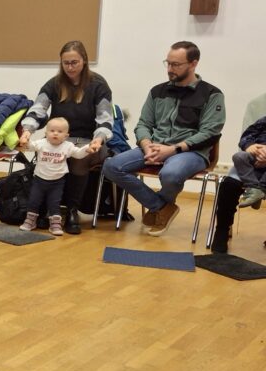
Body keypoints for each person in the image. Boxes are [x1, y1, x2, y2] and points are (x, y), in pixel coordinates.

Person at [102, 41, 225, 237]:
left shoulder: (212, 94)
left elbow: (210, 132)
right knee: (111, 166)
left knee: (170, 174)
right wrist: (146, 145)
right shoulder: (157, 91)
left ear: (193, 64)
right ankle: (161, 207)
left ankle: (159, 208)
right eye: (167, 63)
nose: (169, 69)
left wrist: (173, 150)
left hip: (190, 152)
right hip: (155, 147)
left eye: (176, 65)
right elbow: (143, 124)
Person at [17, 40, 113, 234]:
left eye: (74, 62)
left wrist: (98, 139)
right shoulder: (54, 84)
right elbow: (38, 110)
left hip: (89, 141)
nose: (70, 67)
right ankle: (45, 209)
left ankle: (72, 210)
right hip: (59, 139)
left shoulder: (98, 85)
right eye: (65, 63)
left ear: (84, 61)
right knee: (47, 151)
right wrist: (27, 130)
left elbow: (105, 120)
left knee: (79, 160)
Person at [19, 118, 94, 235]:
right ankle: (30, 221)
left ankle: (55, 224)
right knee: (34, 201)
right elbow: (31, 146)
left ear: (66, 136)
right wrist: (26, 141)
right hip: (39, 180)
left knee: (54, 203)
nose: (55, 133)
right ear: (46, 133)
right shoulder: (42, 143)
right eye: (52, 131)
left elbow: (78, 154)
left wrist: (87, 148)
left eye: (60, 131)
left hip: (57, 182)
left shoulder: (67, 146)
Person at [209, 111, 266, 253]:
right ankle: (222, 231)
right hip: (253, 162)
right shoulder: (263, 120)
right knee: (229, 184)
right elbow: (248, 135)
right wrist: (250, 146)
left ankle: (258, 190)